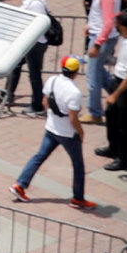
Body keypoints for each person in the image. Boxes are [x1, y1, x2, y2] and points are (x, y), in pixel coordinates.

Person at [16, 54, 95, 207]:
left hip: (51, 128)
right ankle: (78, 198)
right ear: (76, 72)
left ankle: (20, 185)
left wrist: (51, 117)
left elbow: (45, 101)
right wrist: (81, 132)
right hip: (67, 133)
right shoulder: (74, 92)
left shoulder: (53, 80)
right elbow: (73, 118)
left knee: (39, 156)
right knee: (78, 165)